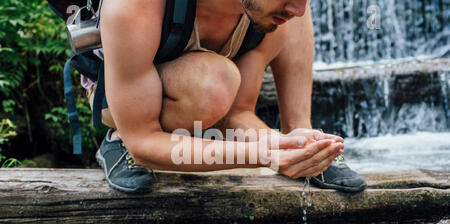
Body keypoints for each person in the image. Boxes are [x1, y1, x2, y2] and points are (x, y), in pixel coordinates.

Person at [86, 0, 367, 193]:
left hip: (212, 91)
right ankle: (115, 139)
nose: (299, 8)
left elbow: (236, 113)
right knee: (215, 82)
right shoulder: (135, 6)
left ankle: (303, 135)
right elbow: (144, 141)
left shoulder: (274, 12)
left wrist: (287, 147)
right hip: (120, 97)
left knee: (287, 21)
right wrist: (264, 156)